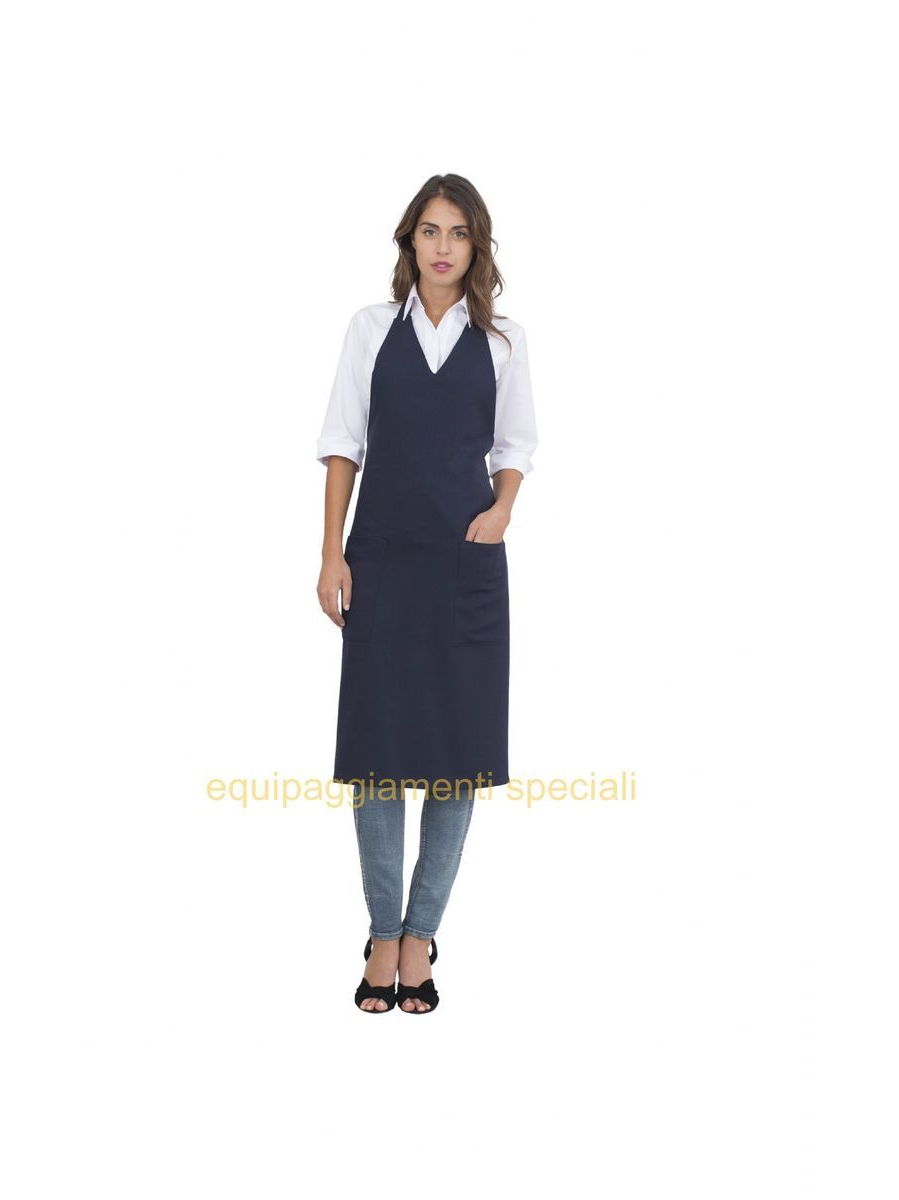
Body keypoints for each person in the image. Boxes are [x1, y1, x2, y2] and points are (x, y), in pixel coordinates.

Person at [315, 174, 538, 1013]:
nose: (443, 247)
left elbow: (515, 445)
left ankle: (421, 935)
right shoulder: (370, 330)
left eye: (459, 233)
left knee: (456, 757)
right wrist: (331, 554)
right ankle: (383, 932)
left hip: (465, 567)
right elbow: (344, 444)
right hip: (381, 562)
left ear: (477, 247)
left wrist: (502, 510)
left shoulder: (504, 340)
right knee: (377, 752)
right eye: (430, 231)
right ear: (410, 241)